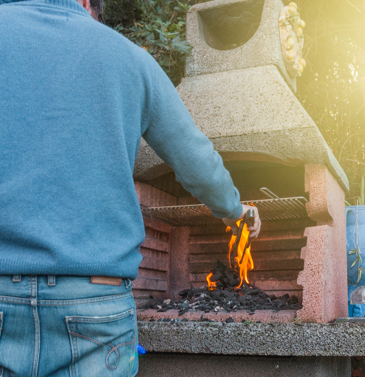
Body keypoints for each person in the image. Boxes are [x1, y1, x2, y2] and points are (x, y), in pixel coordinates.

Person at [0, 0, 261, 375]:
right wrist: (234, 210)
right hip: (96, 301)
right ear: (88, 3)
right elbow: (195, 159)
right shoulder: (128, 57)